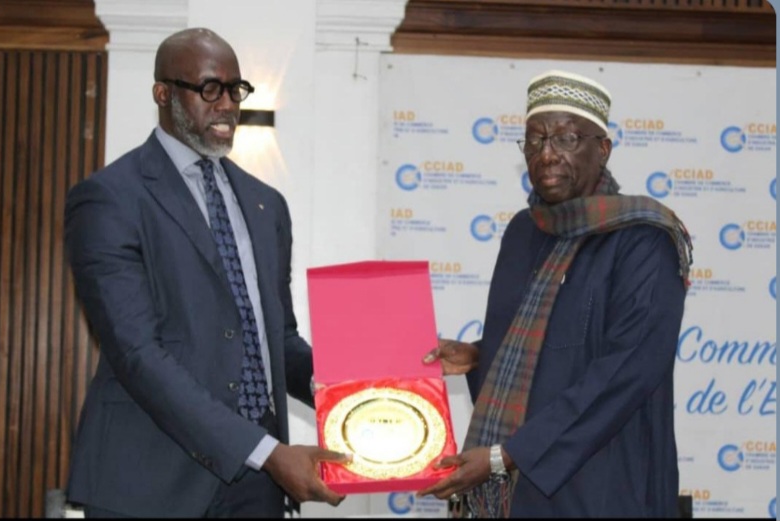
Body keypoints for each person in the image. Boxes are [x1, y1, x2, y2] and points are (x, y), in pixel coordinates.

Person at [63, 27, 349, 518]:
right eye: (210, 89)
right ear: (163, 93)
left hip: (257, 486)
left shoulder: (266, 204)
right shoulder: (110, 198)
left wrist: (356, 391)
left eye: (235, 90)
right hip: (148, 480)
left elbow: (277, 342)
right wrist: (266, 452)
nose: (227, 105)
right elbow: (137, 354)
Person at [418, 70, 692, 518]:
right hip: (520, 492)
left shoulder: (643, 238)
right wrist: (479, 356)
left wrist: (508, 454)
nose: (546, 154)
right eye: (534, 140)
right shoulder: (523, 232)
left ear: (602, 149)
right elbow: (548, 350)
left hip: (606, 486)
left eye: (566, 138)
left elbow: (627, 370)